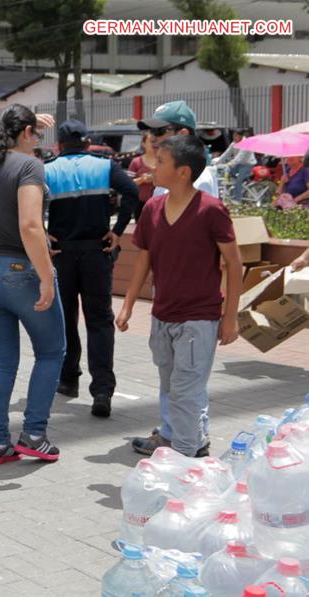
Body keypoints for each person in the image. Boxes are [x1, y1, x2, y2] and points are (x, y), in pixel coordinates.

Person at [116, 135, 242, 457]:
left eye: (161, 162)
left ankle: (185, 462)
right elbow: (144, 258)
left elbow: (233, 262)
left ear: (183, 172)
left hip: (199, 319)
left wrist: (230, 320)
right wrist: (128, 305)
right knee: (173, 388)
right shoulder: (153, 209)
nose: (152, 166)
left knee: (186, 392)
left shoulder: (211, 210)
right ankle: (192, 445)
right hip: (163, 317)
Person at [0, 104, 65, 465]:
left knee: (2, 360)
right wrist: (46, 277)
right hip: (18, 268)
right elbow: (29, 225)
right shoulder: (29, 166)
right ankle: (34, 434)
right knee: (52, 351)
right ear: (26, 133)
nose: (38, 141)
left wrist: (24, 123)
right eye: (36, 134)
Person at [44, 120, 139, 418]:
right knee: (99, 320)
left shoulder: (47, 169)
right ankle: (102, 390)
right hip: (97, 252)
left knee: (66, 318)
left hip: (62, 253)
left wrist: (44, 234)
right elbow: (132, 193)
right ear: (87, 144)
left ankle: (69, 379)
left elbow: (28, 205)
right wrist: (119, 230)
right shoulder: (104, 166)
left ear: (59, 145)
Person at [137, 100, 218, 198]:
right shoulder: (169, 176)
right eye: (151, 131)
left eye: (159, 131)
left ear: (182, 134)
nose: (152, 138)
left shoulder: (197, 182)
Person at [213, 128, 256, 203]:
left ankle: (237, 200)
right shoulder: (234, 143)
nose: (234, 137)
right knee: (226, 172)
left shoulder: (246, 143)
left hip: (247, 165)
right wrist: (217, 162)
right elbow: (226, 154)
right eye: (233, 135)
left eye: (236, 136)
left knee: (238, 181)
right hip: (239, 164)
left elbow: (240, 157)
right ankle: (232, 191)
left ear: (241, 136)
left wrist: (231, 163)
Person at [127, 131, 157, 221]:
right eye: (152, 141)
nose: (155, 144)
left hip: (160, 202)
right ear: (144, 144)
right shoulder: (136, 162)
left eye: (157, 141)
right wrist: (142, 179)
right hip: (140, 203)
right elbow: (127, 184)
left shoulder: (165, 161)